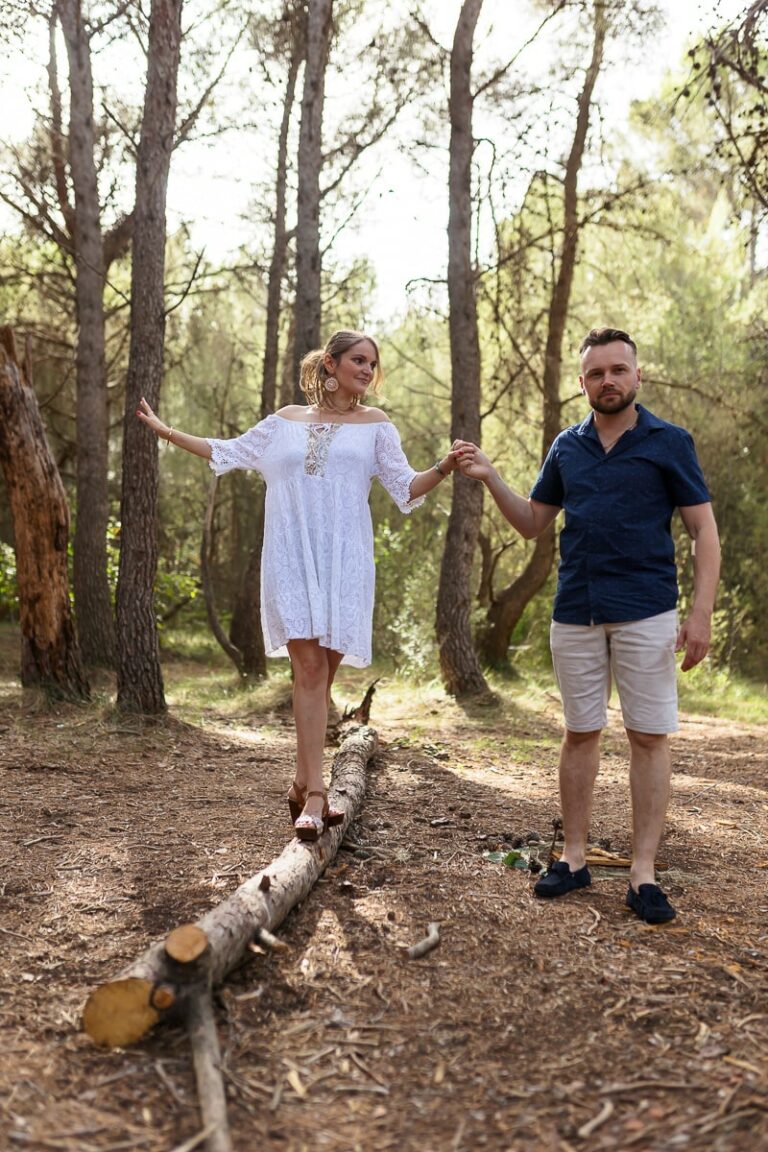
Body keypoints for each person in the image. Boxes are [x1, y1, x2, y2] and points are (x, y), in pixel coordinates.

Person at [138, 329, 458, 842]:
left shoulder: (377, 425)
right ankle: (316, 795)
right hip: (291, 556)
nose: (367, 370)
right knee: (308, 668)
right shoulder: (285, 422)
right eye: (358, 360)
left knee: (320, 679)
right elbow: (227, 450)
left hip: (345, 562)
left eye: (372, 364)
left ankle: (299, 782)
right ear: (330, 364)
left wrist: (444, 466)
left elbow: (406, 488)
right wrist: (166, 431)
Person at [455, 327, 720, 924]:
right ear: (582, 383)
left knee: (648, 737)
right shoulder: (567, 446)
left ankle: (643, 873)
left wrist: (701, 612)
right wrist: (491, 475)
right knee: (580, 733)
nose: (608, 381)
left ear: (637, 375)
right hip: (575, 611)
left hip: (647, 608)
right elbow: (532, 522)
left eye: (618, 370)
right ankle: (573, 859)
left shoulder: (669, 442)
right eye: (596, 373)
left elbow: (703, 530)